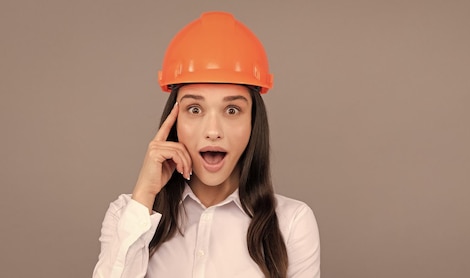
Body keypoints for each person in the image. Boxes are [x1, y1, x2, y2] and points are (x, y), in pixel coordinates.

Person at [93, 11, 320, 278]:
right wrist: (145, 195)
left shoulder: (292, 222)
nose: (213, 131)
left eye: (232, 110)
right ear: (173, 120)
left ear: (253, 124)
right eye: (195, 109)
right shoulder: (127, 215)